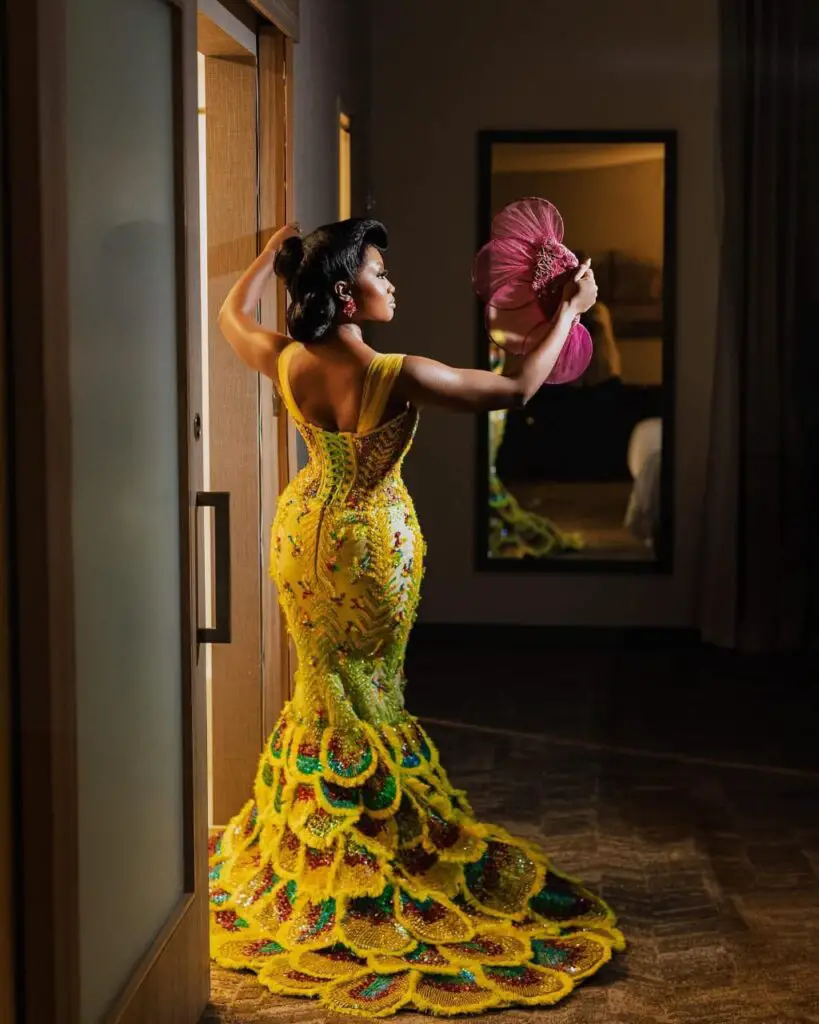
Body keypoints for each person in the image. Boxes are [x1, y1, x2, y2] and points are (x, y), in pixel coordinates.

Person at [209, 218, 623, 1017]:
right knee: (370, 692)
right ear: (345, 295)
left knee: (323, 686)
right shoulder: (394, 374)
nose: (391, 283)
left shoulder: (288, 361)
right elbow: (514, 390)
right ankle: (373, 844)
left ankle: (321, 831)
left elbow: (229, 315)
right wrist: (570, 311)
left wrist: (266, 256)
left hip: (300, 536)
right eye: (379, 272)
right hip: (369, 546)